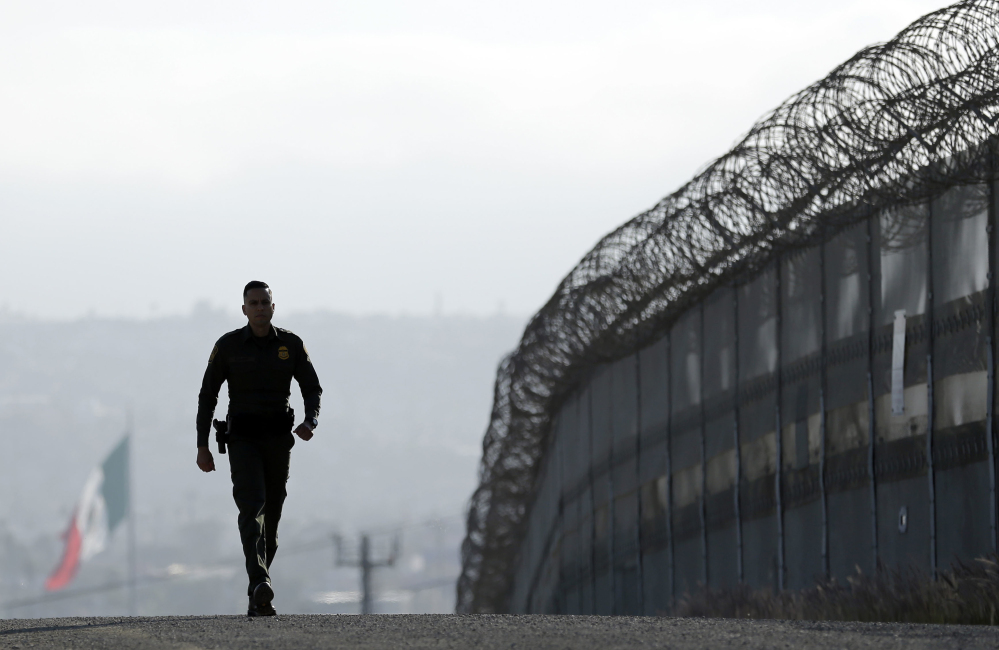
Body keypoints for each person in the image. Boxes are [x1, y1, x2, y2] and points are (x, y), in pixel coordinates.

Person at [195, 281, 322, 616]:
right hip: (243, 440)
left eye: (265, 302)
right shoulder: (229, 346)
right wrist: (202, 446)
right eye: (253, 303)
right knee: (253, 508)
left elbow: (312, 387)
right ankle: (261, 582)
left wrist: (310, 421)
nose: (260, 308)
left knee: (273, 522)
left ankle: (256, 592)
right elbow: (208, 397)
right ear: (244, 309)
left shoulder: (291, 345)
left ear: (273, 306)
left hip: (279, 440)